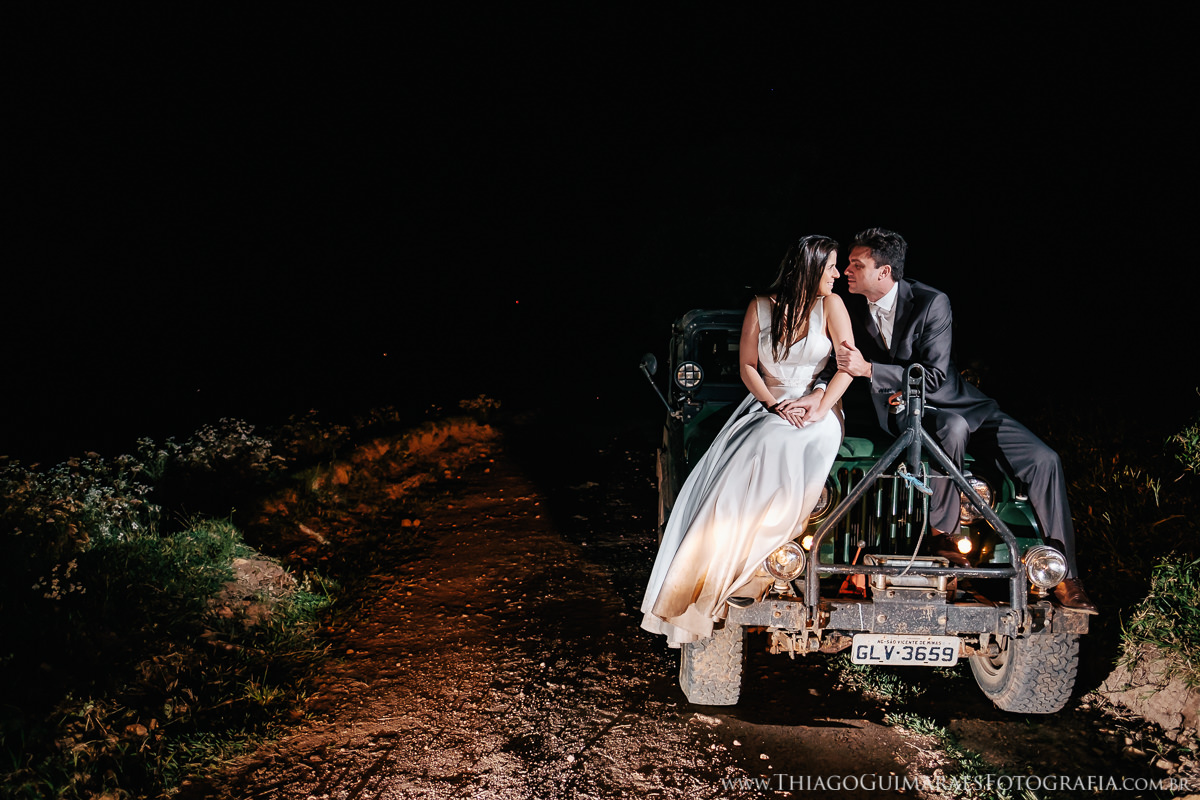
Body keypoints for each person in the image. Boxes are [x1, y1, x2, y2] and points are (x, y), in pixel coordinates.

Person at [811, 227, 1096, 614]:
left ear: (885, 271)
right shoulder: (848, 310)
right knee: (953, 428)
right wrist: (817, 395)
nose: (846, 270)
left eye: (856, 264)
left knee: (1045, 459)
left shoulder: (931, 302)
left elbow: (934, 376)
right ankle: (945, 534)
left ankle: (1065, 577)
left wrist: (872, 370)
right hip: (906, 413)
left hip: (963, 404)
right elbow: (833, 364)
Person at [640, 235, 855, 646]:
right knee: (759, 444)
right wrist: (774, 405)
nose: (836, 274)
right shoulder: (760, 307)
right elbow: (747, 367)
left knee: (791, 441)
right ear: (810, 267)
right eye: (830, 266)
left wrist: (819, 404)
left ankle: (773, 540)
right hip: (771, 403)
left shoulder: (832, 305)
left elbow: (846, 366)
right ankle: (724, 560)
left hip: (821, 406)